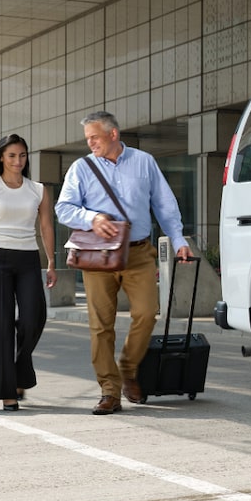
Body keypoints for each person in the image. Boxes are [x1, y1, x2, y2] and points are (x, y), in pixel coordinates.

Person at [55, 111, 193, 415]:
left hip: (138, 252)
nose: (90, 143)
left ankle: (128, 369)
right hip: (98, 255)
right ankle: (109, 391)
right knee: (100, 327)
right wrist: (93, 218)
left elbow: (164, 204)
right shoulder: (82, 168)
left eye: (95, 137)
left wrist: (179, 240)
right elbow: (63, 208)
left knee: (146, 313)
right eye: (88, 138)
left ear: (113, 134)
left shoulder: (144, 162)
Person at [0, 133, 57, 411]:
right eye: (12, 155)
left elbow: (46, 228)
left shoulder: (38, 189)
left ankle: (10, 367)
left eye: (23, 155)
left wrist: (51, 261)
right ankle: (8, 391)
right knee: (1, 325)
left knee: (33, 317)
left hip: (28, 258)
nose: (18, 161)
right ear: (1, 158)